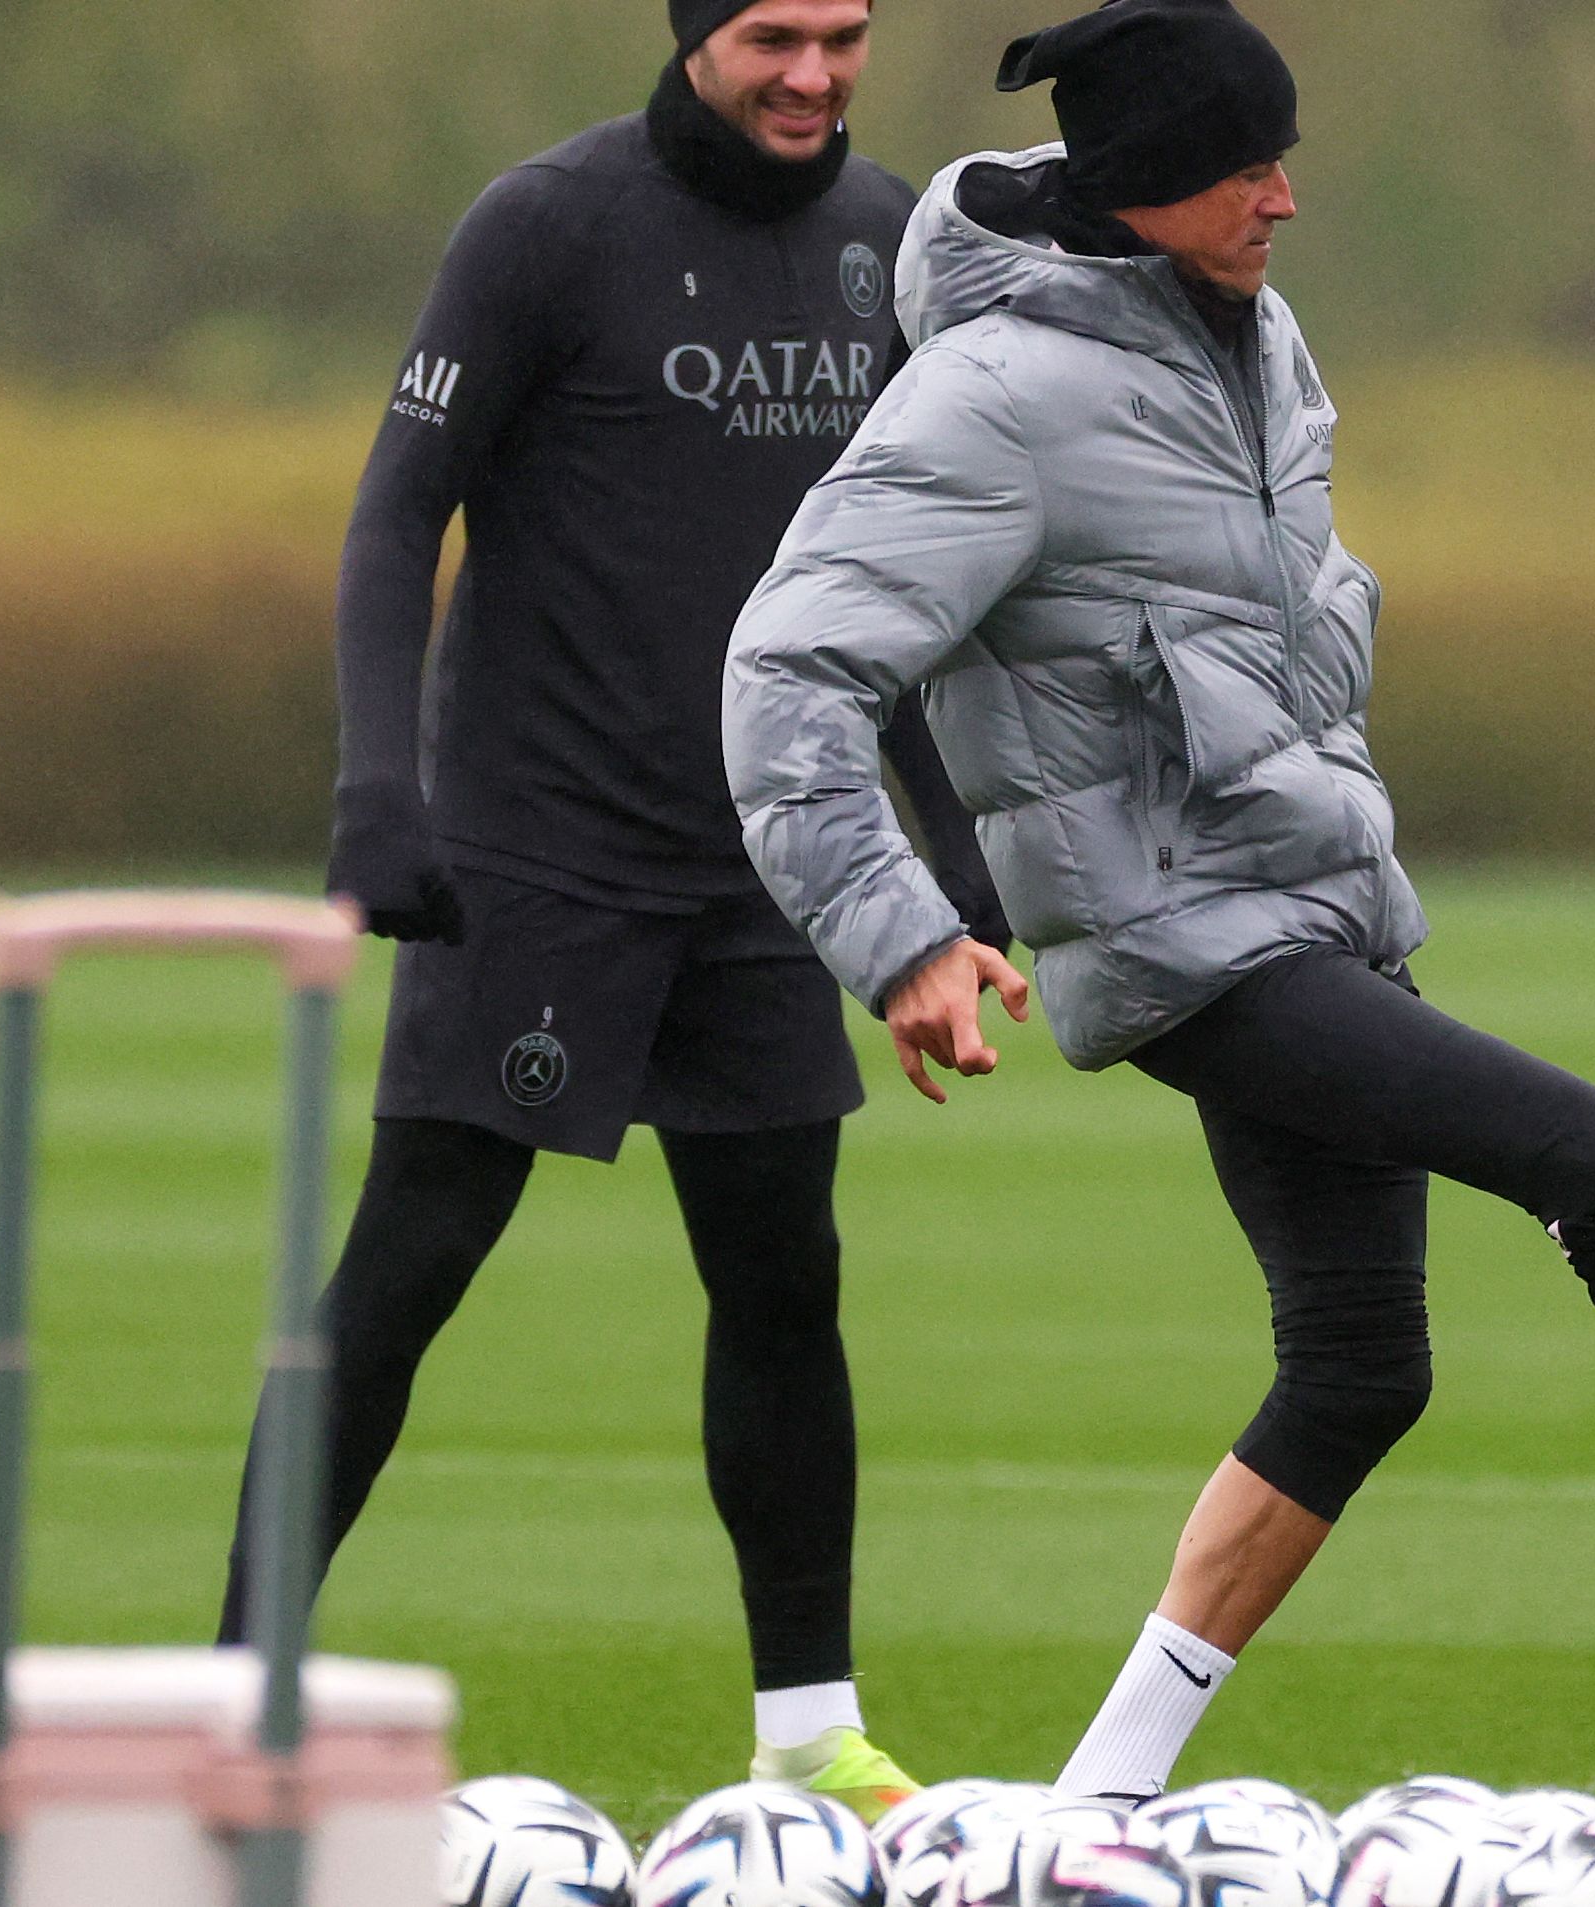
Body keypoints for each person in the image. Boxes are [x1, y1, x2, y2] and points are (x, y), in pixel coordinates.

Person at [723, 0, 1595, 1803]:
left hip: (1321, 916)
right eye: (1247, 164)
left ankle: (1099, 1802)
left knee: (1357, 1372)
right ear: (1141, 187)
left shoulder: (1255, 336)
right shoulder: (990, 399)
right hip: (1185, 949)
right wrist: (899, 935)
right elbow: (788, 673)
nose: (1286, 195)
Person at [219, 0, 1005, 1822]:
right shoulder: (544, 230)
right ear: (691, 32)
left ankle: (810, 1731)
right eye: (771, 38)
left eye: (845, 37)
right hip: (536, 855)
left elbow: (903, 587)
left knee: (784, 1282)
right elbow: (391, 513)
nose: (812, 75)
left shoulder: (888, 245)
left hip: (764, 864)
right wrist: (374, 796)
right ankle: (232, 1700)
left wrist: (953, 860)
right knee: (408, 1270)